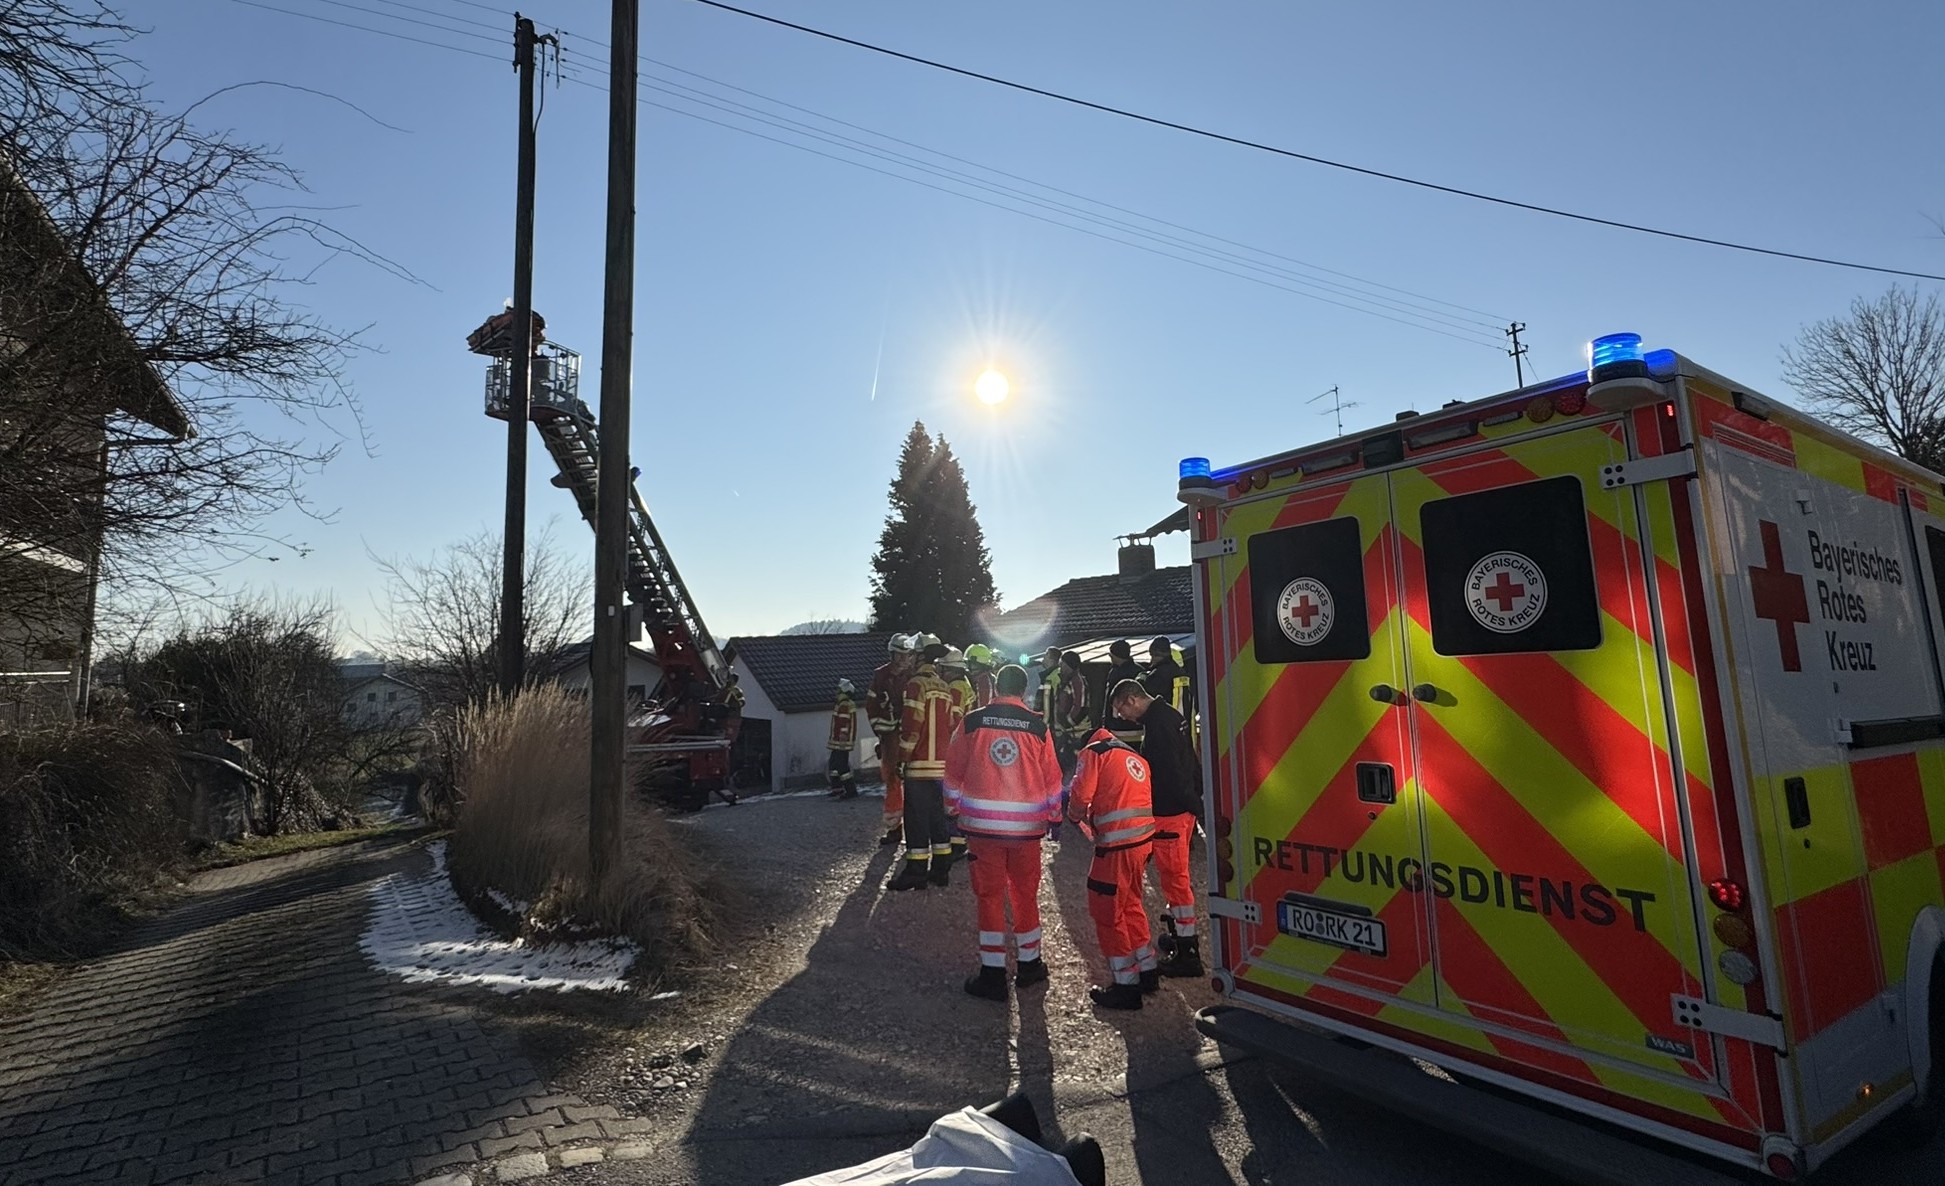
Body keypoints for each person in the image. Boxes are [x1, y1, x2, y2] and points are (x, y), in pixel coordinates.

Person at [945, 664, 1063, 1001]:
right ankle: (1029, 966)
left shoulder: (972, 722)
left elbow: (953, 771)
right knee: (1025, 895)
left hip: (982, 829)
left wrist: (952, 809)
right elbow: (1052, 779)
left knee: (990, 896)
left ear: (996, 686)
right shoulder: (1038, 727)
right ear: (1025, 691)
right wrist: (1054, 817)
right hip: (1026, 831)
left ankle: (993, 975)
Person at [1109, 680, 1203, 977]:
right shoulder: (1170, 716)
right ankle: (1179, 936)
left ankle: (1188, 954)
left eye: (1121, 709)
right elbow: (1189, 760)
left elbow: (1168, 773)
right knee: (1175, 878)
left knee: (1175, 880)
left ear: (1133, 699)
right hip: (1182, 810)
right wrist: (1195, 800)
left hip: (1170, 813)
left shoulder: (1158, 725)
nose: (1122, 716)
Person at [1066, 727, 1158, 1010]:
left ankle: (1125, 986)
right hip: (1142, 842)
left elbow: (1081, 794)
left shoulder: (1094, 752)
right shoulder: (1133, 756)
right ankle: (1147, 971)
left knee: (1107, 911)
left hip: (1116, 845)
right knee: (1131, 903)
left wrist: (1074, 817)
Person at [889, 636, 960, 891]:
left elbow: (911, 728)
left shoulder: (915, 685)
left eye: (910, 655)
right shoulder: (943, 686)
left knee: (917, 821)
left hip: (919, 767)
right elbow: (951, 726)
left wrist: (902, 760)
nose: (907, 660)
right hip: (941, 767)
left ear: (918, 656)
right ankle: (941, 870)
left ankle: (916, 873)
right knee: (937, 820)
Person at [867, 634, 919, 846]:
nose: (903, 659)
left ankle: (917, 828)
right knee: (892, 781)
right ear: (892, 653)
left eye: (906, 654)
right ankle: (895, 828)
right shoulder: (880, 676)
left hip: (912, 736)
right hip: (890, 739)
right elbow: (872, 706)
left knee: (916, 782)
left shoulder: (914, 675)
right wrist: (883, 734)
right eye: (899, 654)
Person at [1100, 641, 1145, 748]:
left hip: (1119, 727)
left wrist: (1107, 722)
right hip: (1139, 726)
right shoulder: (1140, 671)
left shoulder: (1116, 673)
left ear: (1115, 655)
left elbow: (1110, 701)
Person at [828, 679, 861, 800]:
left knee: (842, 766)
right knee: (833, 765)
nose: (836, 691)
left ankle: (851, 791)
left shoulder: (845, 704)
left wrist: (843, 734)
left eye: (839, 689)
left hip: (842, 741)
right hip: (837, 741)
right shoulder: (842, 703)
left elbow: (843, 721)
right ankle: (837, 789)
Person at [1140, 637, 1189, 714]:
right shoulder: (1179, 671)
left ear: (1156, 654)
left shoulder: (1158, 674)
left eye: (1153, 656)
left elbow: (1147, 697)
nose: (1151, 660)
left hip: (1165, 719)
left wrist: (1142, 680)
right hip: (1183, 718)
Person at [963, 643, 998, 708]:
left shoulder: (984, 681)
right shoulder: (984, 679)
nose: (968, 668)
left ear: (981, 665)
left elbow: (983, 707)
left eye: (972, 664)